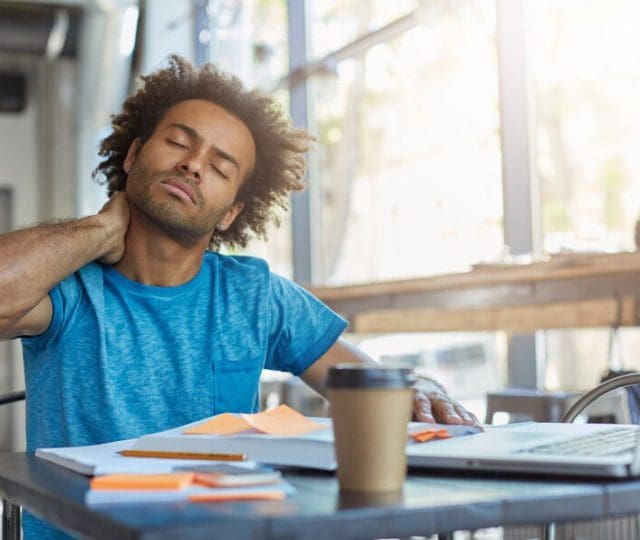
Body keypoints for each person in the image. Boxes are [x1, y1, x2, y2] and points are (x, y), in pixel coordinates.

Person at [0, 55, 479, 539]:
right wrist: (101, 227)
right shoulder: (70, 287)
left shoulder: (252, 293)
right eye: (178, 143)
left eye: (219, 166)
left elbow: (368, 382)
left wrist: (422, 386)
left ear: (231, 213)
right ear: (132, 155)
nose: (192, 164)